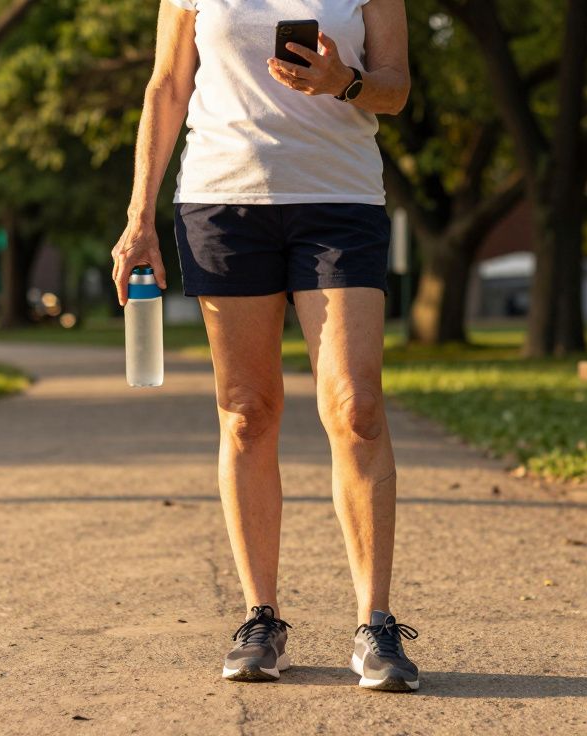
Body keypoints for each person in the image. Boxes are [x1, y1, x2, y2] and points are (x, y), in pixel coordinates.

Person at [111, 0, 417, 692]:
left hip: (341, 203)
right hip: (223, 202)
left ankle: (376, 624)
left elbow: (395, 87)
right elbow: (167, 86)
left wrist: (342, 81)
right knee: (248, 410)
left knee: (357, 405)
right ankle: (262, 619)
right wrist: (139, 219)